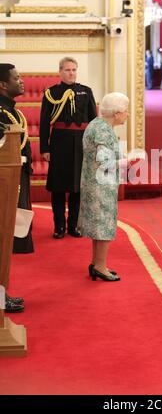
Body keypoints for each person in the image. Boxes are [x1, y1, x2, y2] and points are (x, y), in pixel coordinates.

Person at [40, 57, 97, 239]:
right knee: (58, 186)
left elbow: (93, 121)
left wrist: (93, 146)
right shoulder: (51, 93)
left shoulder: (85, 91)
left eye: (74, 70)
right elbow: (43, 123)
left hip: (81, 142)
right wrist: (44, 148)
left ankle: (74, 225)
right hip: (59, 142)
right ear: (60, 72)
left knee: (77, 186)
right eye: (67, 70)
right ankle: (59, 226)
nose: (71, 73)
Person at [78, 92, 129, 281]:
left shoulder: (97, 124)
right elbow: (104, 162)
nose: (127, 115)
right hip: (101, 186)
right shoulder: (104, 130)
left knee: (99, 227)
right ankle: (100, 266)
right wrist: (125, 162)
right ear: (116, 113)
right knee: (104, 226)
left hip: (94, 183)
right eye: (125, 111)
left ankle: (97, 263)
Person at [0, 63, 33, 313]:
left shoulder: (11, 110)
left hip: (14, 177)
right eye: (16, 78)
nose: (21, 82)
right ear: (2, 85)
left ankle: (2, 294)